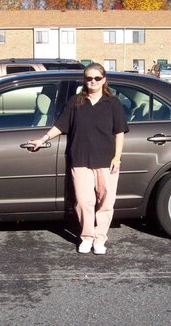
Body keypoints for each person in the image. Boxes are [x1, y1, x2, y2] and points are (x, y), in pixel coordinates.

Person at [29, 63, 129, 255]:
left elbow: (119, 133)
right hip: (80, 158)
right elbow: (61, 125)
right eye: (89, 78)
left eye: (97, 78)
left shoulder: (113, 103)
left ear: (104, 80)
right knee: (83, 202)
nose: (93, 82)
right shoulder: (76, 102)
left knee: (106, 202)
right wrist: (43, 139)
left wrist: (117, 157)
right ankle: (87, 237)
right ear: (84, 80)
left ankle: (100, 239)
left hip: (106, 160)